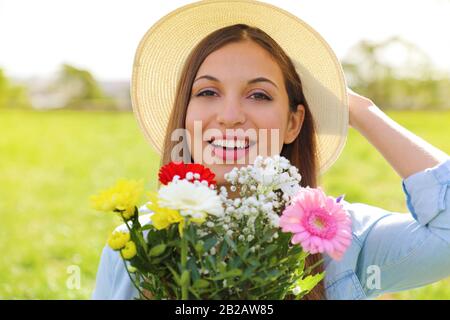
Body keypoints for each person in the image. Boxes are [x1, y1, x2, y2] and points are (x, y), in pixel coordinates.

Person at [92, 0, 450, 300]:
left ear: (293, 123)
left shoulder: (340, 239)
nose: (230, 116)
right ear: (184, 116)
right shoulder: (135, 247)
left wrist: (358, 109)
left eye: (259, 95)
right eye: (207, 92)